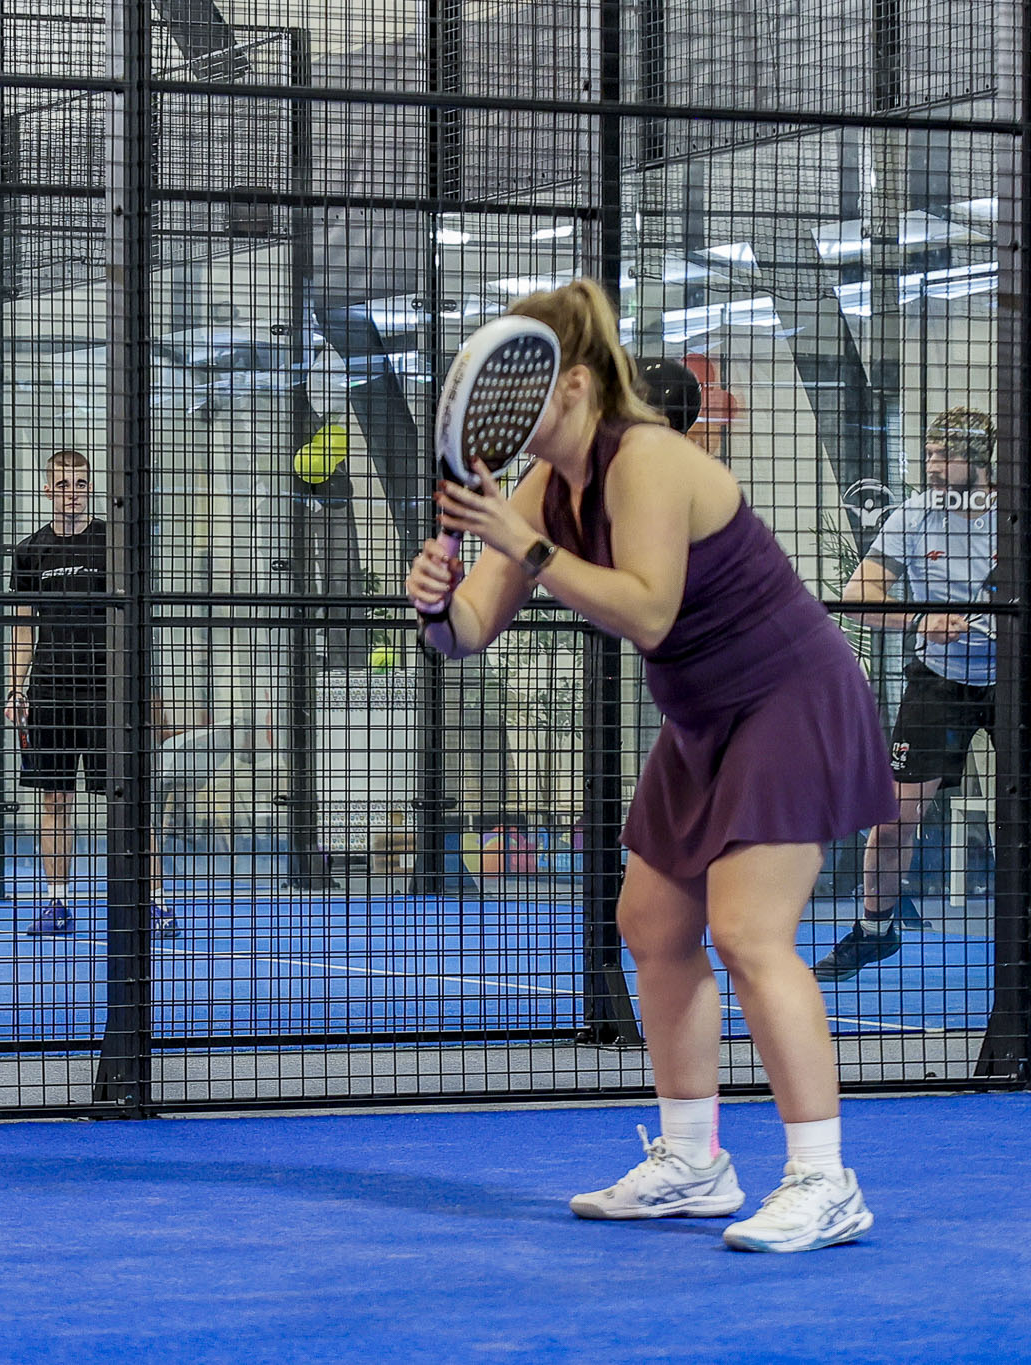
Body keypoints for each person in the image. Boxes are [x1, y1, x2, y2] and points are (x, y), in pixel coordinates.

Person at [407, 278, 896, 1253]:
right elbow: (467, 633)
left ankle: (821, 1179)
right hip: (701, 719)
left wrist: (524, 545)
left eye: (520, 384)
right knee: (648, 923)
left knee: (748, 932)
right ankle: (691, 1163)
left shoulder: (648, 460)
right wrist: (432, 604)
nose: (501, 408)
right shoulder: (543, 487)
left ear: (574, 384)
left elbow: (645, 612)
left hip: (786, 698)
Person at [816, 408, 996, 981]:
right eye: (929, 453)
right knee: (895, 816)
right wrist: (922, 619)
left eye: (946, 455)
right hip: (940, 682)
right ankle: (875, 929)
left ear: (981, 462)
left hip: (1014, 680)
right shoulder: (915, 514)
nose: (932, 464)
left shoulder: (1012, 515)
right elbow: (858, 595)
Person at [5, 449, 169, 938]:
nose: (72, 493)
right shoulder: (30, 551)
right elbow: (21, 629)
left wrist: (147, 694)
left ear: (89, 487)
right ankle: (57, 903)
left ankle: (154, 902)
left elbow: (137, 622)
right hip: (51, 693)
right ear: (46, 490)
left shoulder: (113, 544)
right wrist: (16, 690)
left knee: (131, 799)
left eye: (80, 483)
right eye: (62, 484)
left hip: (110, 695)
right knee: (54, 800)